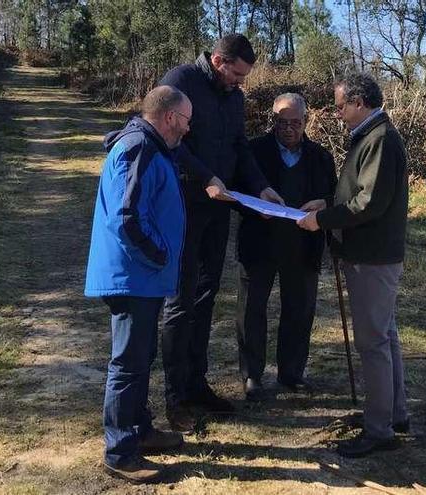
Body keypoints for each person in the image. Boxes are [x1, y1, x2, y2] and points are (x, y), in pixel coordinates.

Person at [158, 34, 284, 430]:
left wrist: (260, 185)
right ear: (217, 60)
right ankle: (175, 398)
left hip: (219, 209)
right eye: (237, 74)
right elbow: (167, 142)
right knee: (179, 304)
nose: (241, 82)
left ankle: (198, 385)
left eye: (245, 77)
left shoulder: (235, 98)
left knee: (206, 296)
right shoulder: (180, 82)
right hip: (182, 207)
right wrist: (205, 176)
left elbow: (239, 147)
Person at [84, 86, 194, 483]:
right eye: (186, 121)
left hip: (142, 276)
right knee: (128, 364)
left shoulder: (151, 147)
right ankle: (120, 452)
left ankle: (141, 430)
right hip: (132, 276)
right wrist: (161, 253)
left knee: (140, 358)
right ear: (168, 117)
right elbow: (128, 217)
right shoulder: (139, 148)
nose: (187, 128)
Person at [297, 73, 410, 458]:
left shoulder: (379, 139)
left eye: (341, 105)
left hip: (372, 258)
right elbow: (358, 193)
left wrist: (323, 221)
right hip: (370, 254)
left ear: (359, 103)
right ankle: (394, 413)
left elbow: (369, 203)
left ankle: (379, 431)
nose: (338, 112)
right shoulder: (370, 136)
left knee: (373, 342)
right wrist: (327, 205)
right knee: (385, 335)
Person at [235, 93, 336, 401]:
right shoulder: (253, 151)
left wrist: (325, 204)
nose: (289, 129)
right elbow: (236, 193)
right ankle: (252, 375)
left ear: (306, 122)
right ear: (273, 120)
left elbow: (335, 195)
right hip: (259, 243)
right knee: (252, 311)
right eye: (282, 122)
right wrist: (255, 207)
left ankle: (291, 373)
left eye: (296, 123)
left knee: (299, 311)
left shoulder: (321, 156)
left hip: (303, 246)